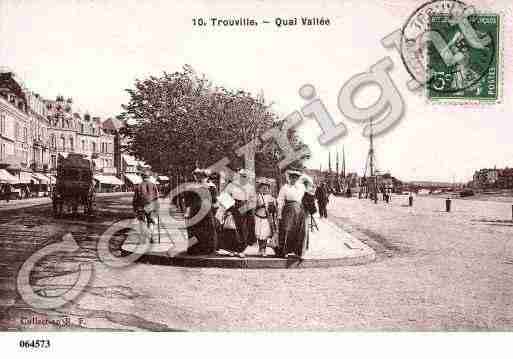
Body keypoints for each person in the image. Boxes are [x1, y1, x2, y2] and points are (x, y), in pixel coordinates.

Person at [183, 168, 217, 255]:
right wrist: (187, 211)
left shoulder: (210, 187)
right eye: (198, 177)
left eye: (202, 177)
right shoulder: (209, 187)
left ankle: (203, 249)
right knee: (198, 229)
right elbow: (188, 201)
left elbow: (214, 201)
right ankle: (201, 249)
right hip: (200, 210)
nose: (200, 178)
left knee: (204, 229)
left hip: (203, 210)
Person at [276, 169, 308, 258]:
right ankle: (285, 251)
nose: (293, 179)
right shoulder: (285, 187)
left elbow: (307, 195)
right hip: (288, 210)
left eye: (296, 178)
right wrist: (279, 212)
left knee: (299, 230)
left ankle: (298, 252)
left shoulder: (301, 187)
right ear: (289, 178)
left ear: (298, 179)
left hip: (299, 210)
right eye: (292, 177)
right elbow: (280, 200)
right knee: (287, 229)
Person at [223, 169, 257, 252]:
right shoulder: (232, 185)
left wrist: (246, 208)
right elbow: (224, 196)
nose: (243, 178)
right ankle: (231, 249)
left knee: (244, 228)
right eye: (242, 176)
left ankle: (241, 249)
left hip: (245, 207)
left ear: (248, 177)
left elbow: (253, 199)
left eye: (245, 176)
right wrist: (228, 208)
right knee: (232, 228)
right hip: (233, 206)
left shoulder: (250, 187)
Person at [132, 170, 160, 243]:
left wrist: (135, 209)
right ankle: (151, 236)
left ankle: (144, 238)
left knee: (142, 222)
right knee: (151, 222)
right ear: (149, 177)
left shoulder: (138, 186)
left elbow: (135, 199)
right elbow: (156, 197)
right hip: (151, 206)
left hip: (141, 207)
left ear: (142, 177)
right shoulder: (153, 185)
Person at [254, 179, 277, 257]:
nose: (264, 189)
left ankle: (264, 249)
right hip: (258, 217)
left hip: (266, 218)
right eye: (262, 187)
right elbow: (253, 207)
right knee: (259, 233)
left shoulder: (271, 198)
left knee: (265, 233)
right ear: (259, 188)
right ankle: (260, 248)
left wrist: (271, 207)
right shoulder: (257, 196)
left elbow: (273, 210)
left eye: (266, 188)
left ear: (269, 189)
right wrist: (260, 206)